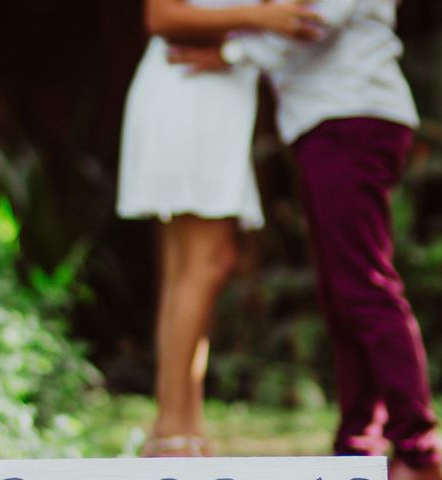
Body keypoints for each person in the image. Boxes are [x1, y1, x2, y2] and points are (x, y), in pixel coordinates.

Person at [168, 0, 442, 478]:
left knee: (364, 285)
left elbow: (311, 19)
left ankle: (418, 452)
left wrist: (233, 54)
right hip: (331, 121)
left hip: (352, 117)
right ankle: (362, 443)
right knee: (344, 290)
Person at [116, 0, 324, 457]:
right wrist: (259, 18)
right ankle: (173, 431)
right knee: (204, 264)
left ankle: (181, 425)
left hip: (212, 97)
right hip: (189, 92)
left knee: (188, 269)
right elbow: (161, 17)